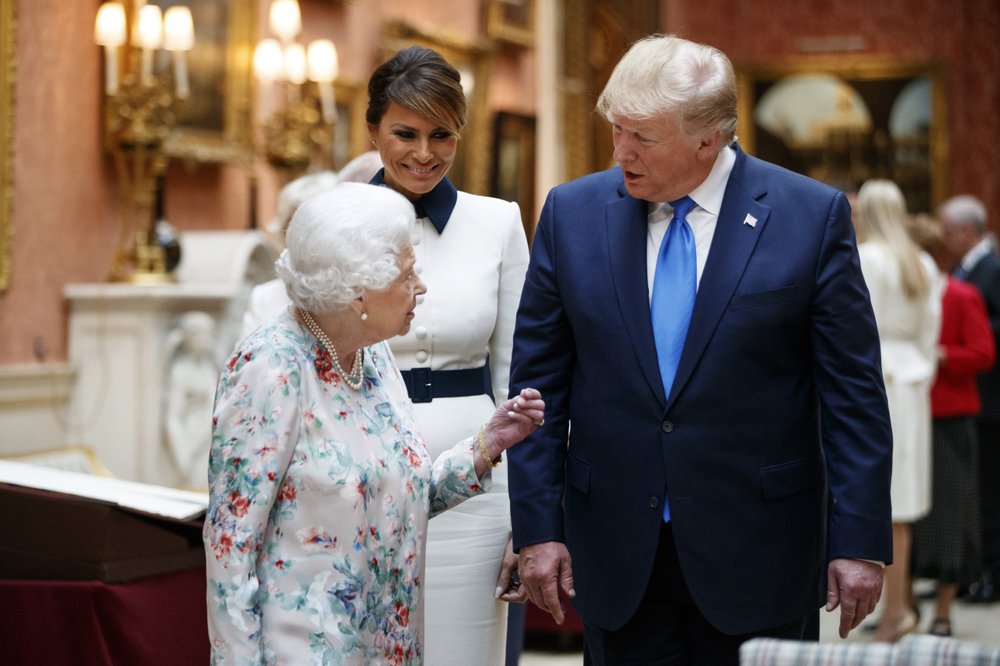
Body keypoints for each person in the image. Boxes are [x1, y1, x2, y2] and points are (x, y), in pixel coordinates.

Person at [507, 34, 893, 665]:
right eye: (616, 130)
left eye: (642, 137)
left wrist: (860, 540)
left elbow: (854, 399)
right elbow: (537, 392)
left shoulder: (808, 217)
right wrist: (538, 529)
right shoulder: (572, 215)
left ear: (709, 138)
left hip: (761, 553)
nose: (620, 151)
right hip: (616, 556)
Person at [203, 182, 544, 664]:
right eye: (407, 274)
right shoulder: (270, 369)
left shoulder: (373, 357)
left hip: (388, 649)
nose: (421, 287)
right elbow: (230, 544)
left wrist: (486, 445)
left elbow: (399, 496)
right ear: (357, 291)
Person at [365, 45, 530, 664]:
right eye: (406, 133)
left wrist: (529, 510)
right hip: (364, 479)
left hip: (479, 487)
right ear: (373, 130)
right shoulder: (335, 224)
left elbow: (522, 376)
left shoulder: (499, 223)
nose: (425, 153)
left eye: (443, 135)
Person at [852, 180, 942, 642]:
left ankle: (893, 614)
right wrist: (920, 369)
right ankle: (897, 610)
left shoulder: (867, 257)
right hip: (910, 384)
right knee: (900, 506)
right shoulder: (922, 263)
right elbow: (932, 335)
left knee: (879, 500)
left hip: (875, 383)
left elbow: (852, 327)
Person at [908, 211, 995, 637]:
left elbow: (982, 353)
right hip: (908, 416)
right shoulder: (901, 299)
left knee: (952, 518)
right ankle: (902, 609)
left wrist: (941, 355)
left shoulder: (961, 296)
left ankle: (943, 614)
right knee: (905, 517)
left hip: (950, 420)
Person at [241, 153, 382, 338]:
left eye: (312, 228)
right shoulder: (264, 296)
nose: (302, 238)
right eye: (293, 227)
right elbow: (246, 356)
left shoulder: (358, 296)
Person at [938, 194, 1000, 604]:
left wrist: (951, 348)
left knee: (990, 494)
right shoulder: (965, 268)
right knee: (970, 494)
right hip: (973, 398)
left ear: (966, 230)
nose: (944, 240)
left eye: (947, 232)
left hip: (990, 399)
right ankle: (967, 573)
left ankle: (992, 575)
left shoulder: (992, 268)